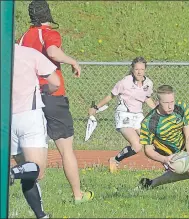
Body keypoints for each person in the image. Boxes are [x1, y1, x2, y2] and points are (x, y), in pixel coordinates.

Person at [17, 0, 94, 204]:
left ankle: (34, 195)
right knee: (66, 150)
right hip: (53, 96)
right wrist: (73, 61)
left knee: (30, 150)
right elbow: (52, 51)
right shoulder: (49, 33)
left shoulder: (24, 36)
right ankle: (78, 195)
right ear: (48, 15)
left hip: (30, 98)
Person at [137, 85, 189, 191]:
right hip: (171, 157)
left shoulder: (181, 109)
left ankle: (150, 184)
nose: (170, 106)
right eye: (166, 103)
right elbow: (148, 150)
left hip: (185, 153)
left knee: (188, 173)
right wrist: (165, 159)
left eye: (172, 102)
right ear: (157, 102)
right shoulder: (149, 122)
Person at [11, 44, 60, 219]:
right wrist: (44, 91)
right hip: (29, 116)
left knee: (26, 169)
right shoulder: (29, 53)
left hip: (6, 118)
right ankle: (11, 173)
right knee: (34, 171)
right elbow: (55, 82)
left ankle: (41, 215)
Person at [89, 57, 156, 173]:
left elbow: (147, 99)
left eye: (142, 69)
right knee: (137, 145)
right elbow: (110, 96)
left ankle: (168, 166)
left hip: (138, 117)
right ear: (132, 69)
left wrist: (158, 111)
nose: (139, 72)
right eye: (137, 69)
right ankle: (115, 160)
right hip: (124, 116)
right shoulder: (125, 82)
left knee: (152, 141)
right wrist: (96, 107)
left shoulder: (148, 83)